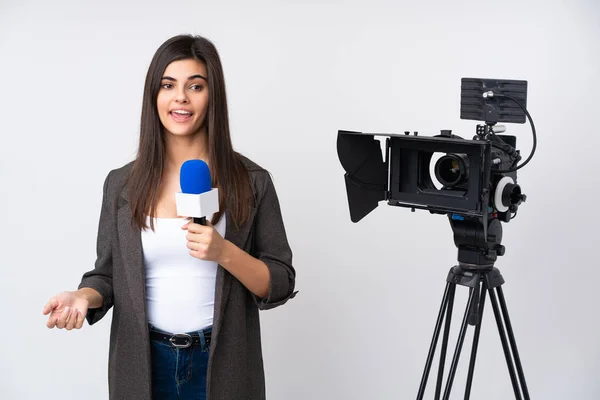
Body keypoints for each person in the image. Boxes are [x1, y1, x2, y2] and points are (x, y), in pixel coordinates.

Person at [42, 34, 297, 400]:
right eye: (168, 85)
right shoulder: (121, 185)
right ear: (154, 97)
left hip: (223, 366)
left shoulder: (252, 182)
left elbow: (280, 281)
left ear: (213, 97)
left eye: (195, 85)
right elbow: (108, 274)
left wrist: (224, 252)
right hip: (143, 364)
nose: (181, 97)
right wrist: (82, 296)